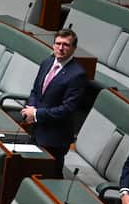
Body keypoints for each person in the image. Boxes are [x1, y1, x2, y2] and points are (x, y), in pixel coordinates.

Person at [19, 29, 87, 171]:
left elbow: (67, 109)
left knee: (50, 176)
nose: (61, 48)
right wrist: (30, 109)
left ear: (74, 48)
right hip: (36, 130)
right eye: (58, 43)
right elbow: (35, 91)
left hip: (55, 138)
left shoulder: (77, 74)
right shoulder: (47, 62)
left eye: (66, 45)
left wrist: (37, 114)